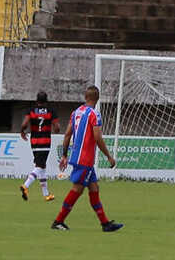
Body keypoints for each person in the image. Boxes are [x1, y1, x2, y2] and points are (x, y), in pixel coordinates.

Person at [52, 85, 123, 232]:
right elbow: (97, 137)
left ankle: (105, 224)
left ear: (85, 97)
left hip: (78, 157)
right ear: (97, 99)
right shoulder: (94, 114)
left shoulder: (76, 112)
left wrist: (65, 155)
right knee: (77, 190)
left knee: (94, 188)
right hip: (85, 159)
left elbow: (67, 135)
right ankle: (58, 221)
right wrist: (109, 156)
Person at [20, 91, 60, 202]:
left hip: (34, 142)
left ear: (37, 101)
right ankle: (25, 185)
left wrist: (22, 131)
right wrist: (56, 128)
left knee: (41, 166)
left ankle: (46, 194)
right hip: (45, 142)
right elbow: (57, 128)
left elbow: (24, 124)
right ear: (46, 101)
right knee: (39, 166)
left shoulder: (31, 111)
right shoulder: (51, 111)